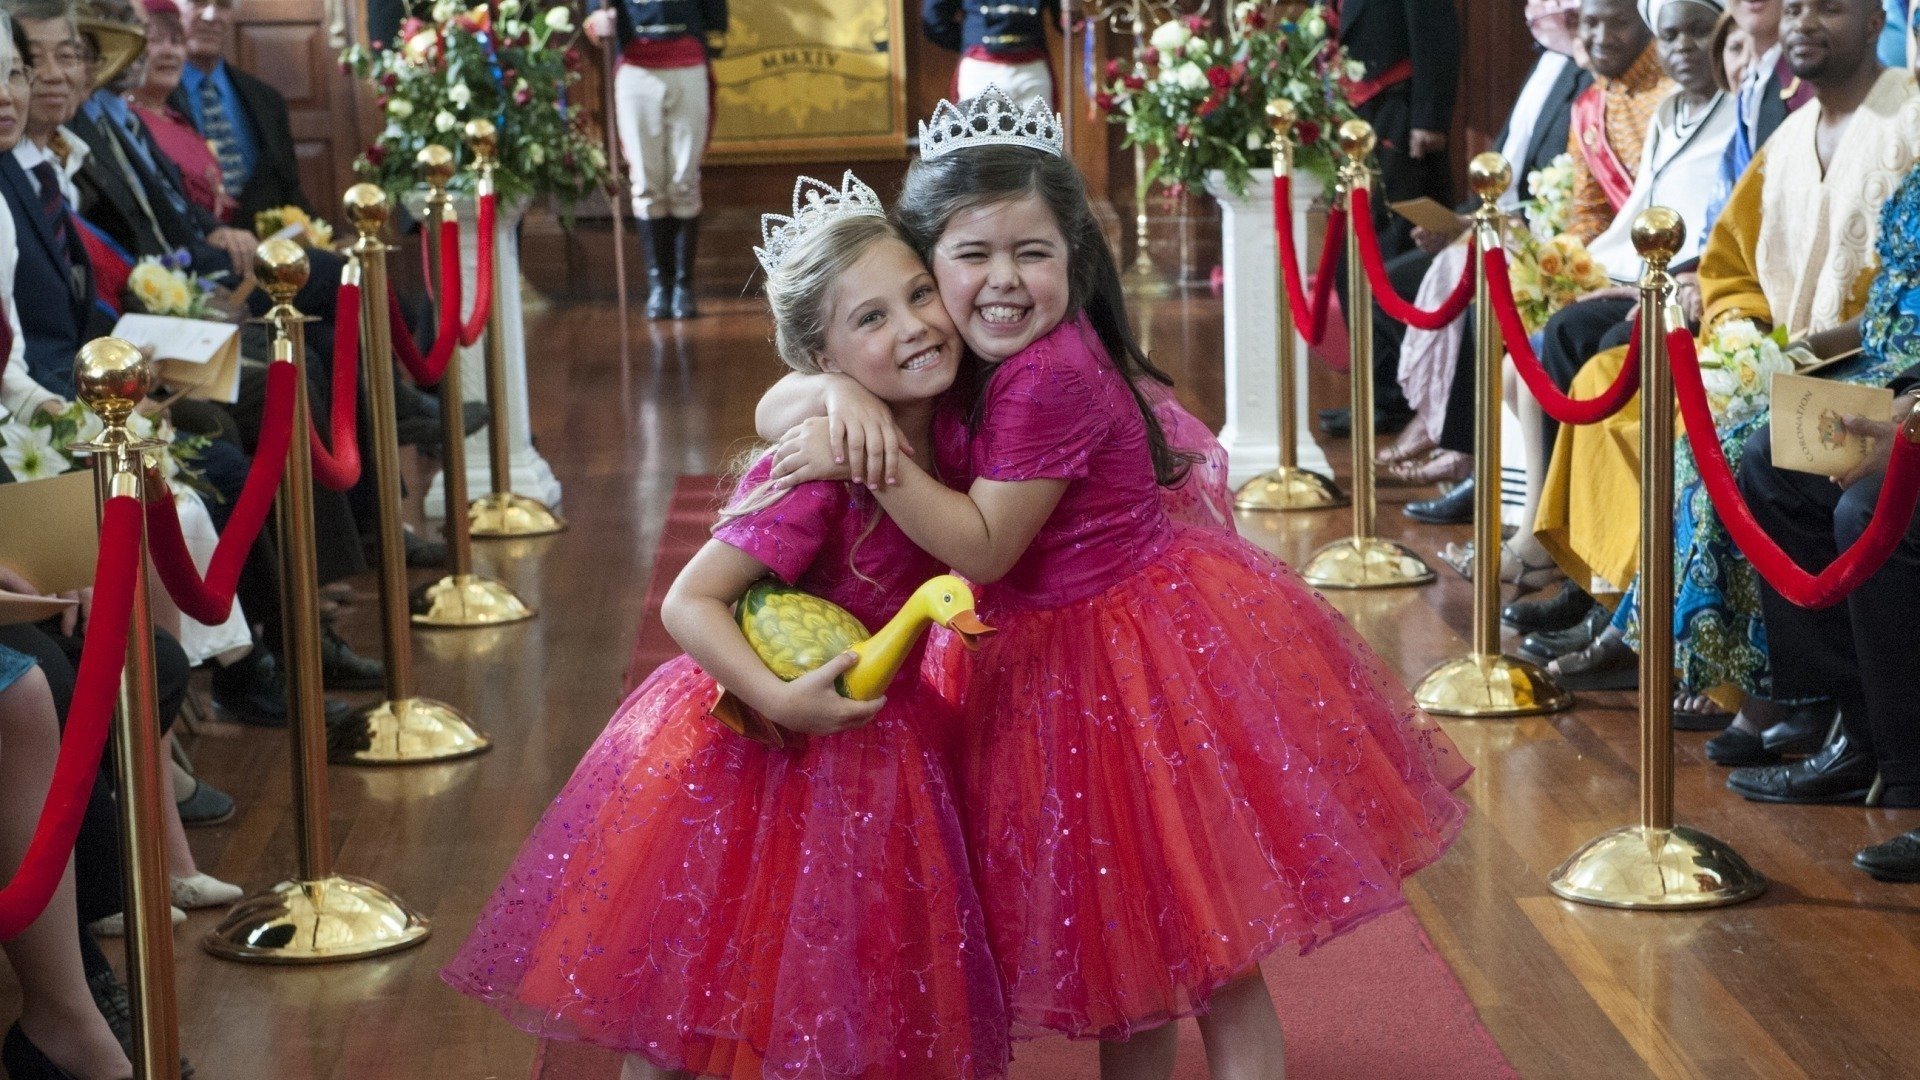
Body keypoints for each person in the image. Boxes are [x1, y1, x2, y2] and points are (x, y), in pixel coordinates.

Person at [763, 92, 1469, 1076]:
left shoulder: (1047, 373)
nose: (1002, 281)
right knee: (1126, 955)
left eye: (1032, 253)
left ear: (1079, 258)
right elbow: (774, 398)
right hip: (1045, 656)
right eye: (971, 258)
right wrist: (834, 390)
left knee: (1210, 954)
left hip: (1135, 660)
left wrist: (876, 459)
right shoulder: (959, 349)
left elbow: (985, 547)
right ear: (927, 272)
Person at [443, 174, 1010, 1080]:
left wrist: (834, 393)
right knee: (704, 989)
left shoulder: (959, 422)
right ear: (821, 358)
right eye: (870, 320)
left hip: (884, 739)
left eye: (918, 294)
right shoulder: (820, 470)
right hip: (760, 738)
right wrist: (783, 696)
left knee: (849, 987)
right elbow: (687, 602)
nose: (912, 326)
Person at [1540, 0, 1920, 717]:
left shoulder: (1911, 121)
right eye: (1797, 8)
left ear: (1878, 24)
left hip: (1874, 370)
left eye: (1830, 10)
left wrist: (1793, 358)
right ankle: (1630, 607)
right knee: (1611, 383)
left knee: (1719, 445)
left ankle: (1747, 687)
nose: (1805, 22)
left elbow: (1900, 311)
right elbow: (1730, 262)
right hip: (1786, 355)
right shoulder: (1793, 134)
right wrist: (1743, 330)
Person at [1721, 13, 1920, 835]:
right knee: (1772, 459)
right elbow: (1891, 316)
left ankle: (1907, 778)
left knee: (1865, 508)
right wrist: (1806, 362)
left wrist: (1906, 423)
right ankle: (1850, 725)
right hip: (1902, 379)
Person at [1372, 0, 1592, 504]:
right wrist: (1458, 221)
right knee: (1389, 286)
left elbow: (1554, 195)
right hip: (1495, 225)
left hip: (1542, 237)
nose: (1535, 11)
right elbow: (1506, 170)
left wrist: (1481, 225)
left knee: (1480, 304)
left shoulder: (1588, 81)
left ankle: (1470, 456)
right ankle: (1430, 417)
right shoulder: (1544, 66)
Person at [584, 0, 726, 320]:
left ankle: (683, 287)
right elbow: (595, 15)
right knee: (646, 182)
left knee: (684, 180)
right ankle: (659, 286)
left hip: (687, 60)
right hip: (636, 65)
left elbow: (716, 16)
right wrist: (598, 18)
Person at [1331, 0, 1460, 258]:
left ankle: (1390, 295)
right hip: (1345, 110)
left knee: (1398, 222)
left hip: (1398, 106)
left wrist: (1429, 118)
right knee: (1348, 222)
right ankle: (1354, 294)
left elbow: (1437, 29)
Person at [921, 0, 1055, 106]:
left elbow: (934, 18)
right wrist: (971, 43)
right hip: (1018, 69)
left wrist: (972, 43)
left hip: (989, 68)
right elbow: (933, 18)